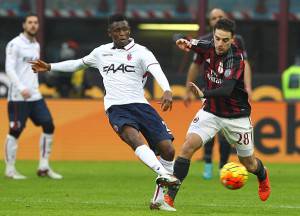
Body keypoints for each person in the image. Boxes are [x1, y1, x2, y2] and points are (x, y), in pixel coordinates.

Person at [30, 14, 180, 211]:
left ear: (129, 31)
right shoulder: (101, 53)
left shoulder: (142, 52)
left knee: (168, 150)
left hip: (141, 106)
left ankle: (158, 200)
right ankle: (163, 174)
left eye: (125, 29)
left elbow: (157, 71)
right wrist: (50, 66)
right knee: (134, 139)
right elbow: (77, 64)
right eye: (117, 30)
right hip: (116, 108)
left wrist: (167, 90)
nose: (122, 33)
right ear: (110, 33)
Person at [163, 18, 271, 209]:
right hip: (211, 111)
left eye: (225, 40)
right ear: (213, 36)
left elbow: (228, 88)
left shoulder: (236, 58)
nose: (220, 44)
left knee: (249, 163)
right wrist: (180, 40)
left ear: (232, 40)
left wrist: (204, 93)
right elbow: (187, 40)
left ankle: (263, 176)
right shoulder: (207, 46)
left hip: (236, 116)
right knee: (187, 147)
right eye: (217, 38)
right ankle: (169, 197)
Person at [186, 8, 253, 179]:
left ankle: (223, 166)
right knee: (206, 134)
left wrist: (248, 86)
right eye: (213, 18)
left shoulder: (237, 45)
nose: (217, 19)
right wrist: (188, 89)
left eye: (220, 17)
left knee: (225, 137)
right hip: (211, 93)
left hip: (228, 96)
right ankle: (208, 164)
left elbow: (246, 64)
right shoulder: (205, 43)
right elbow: (194, 64)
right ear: (210, 23)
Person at [4, 13, 62, 180]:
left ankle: (43, 166)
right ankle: (10, 170)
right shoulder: (14, 44)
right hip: (18, 97)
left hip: (35, 96)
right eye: (30, 22)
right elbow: (10, 69)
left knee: (49, 125)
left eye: (36, 22)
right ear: (24, 25)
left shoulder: (36, 44)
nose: (33, 25)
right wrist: (21, 87)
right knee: (15, 130)